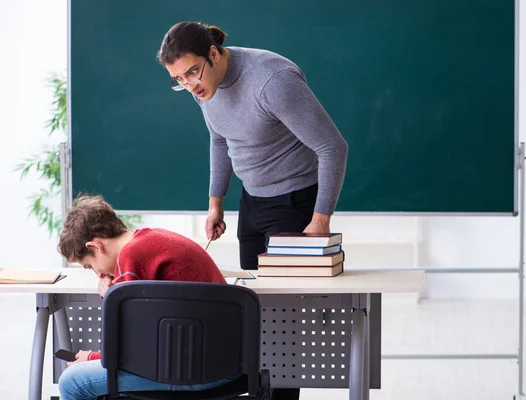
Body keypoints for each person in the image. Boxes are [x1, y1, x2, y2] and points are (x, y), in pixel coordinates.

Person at [157, 21, 349, 272]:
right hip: (250, 203)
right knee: (253, 299)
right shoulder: (202, 85)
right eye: (179, 79)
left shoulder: (272, 81)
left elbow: (333, 147)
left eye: (192, 72)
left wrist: (321, 220)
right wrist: (215, 204)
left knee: (288, 303)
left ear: (213, 53)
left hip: (295, 202)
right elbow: (220, 139)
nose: (189, 85)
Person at [56, 195, 232, 400]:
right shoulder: (154, 239)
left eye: (89, 266)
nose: (98, 273)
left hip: (194, 372)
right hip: (227, 363)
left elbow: (126, 348)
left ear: (95, 247)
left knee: (72, 382)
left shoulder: (131, 259)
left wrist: (91, 357)